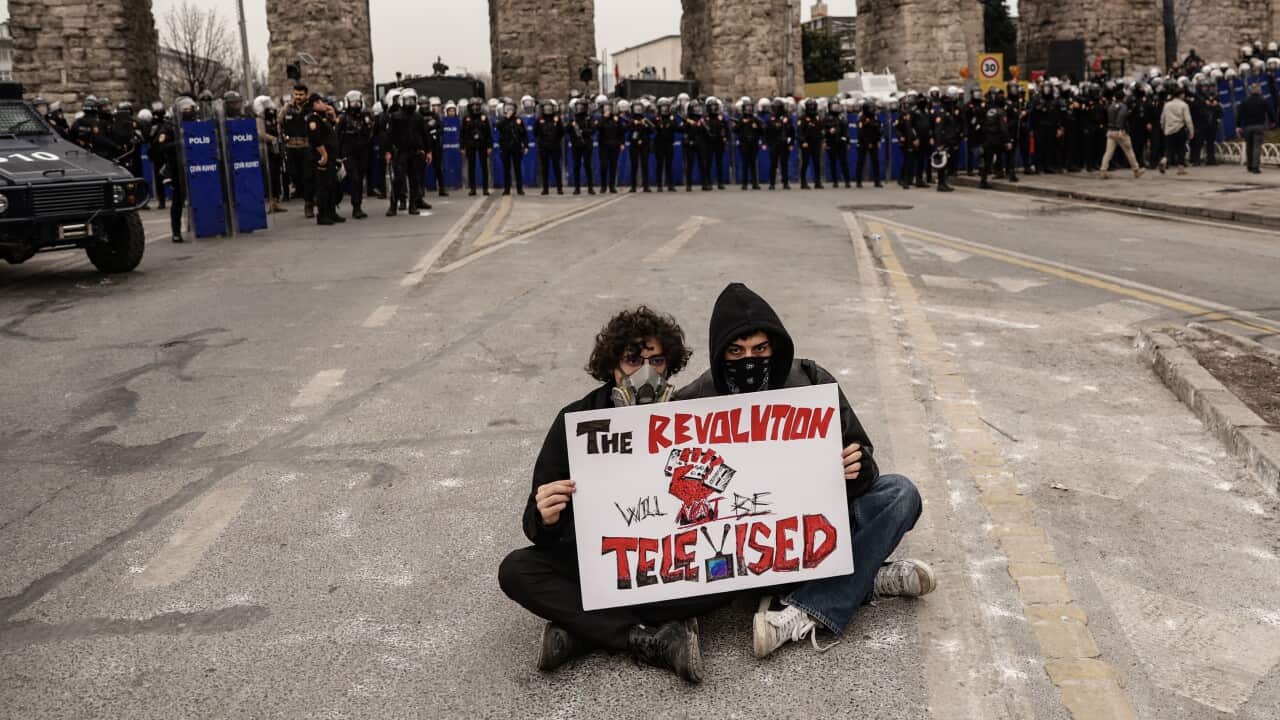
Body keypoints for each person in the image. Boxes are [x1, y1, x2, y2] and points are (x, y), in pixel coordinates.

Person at [674, 283, 934, 659]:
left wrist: (856, 465)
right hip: (742, 550)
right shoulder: (692, 403)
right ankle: (863, 579)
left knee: (900, 493)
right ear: (720, 352)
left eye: (760, 349)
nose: (749, 359)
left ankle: (803, 608)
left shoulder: (811, 380)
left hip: (816, 528)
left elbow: (865, 462)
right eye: (737, 351)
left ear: (774, 347)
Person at [498, 307, 722, 682]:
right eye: (633, 360)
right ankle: (649, 639)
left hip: (669, 560)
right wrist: (545, 515)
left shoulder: (691, 418)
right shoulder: (577, 420)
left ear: (670, 366)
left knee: (737, 576)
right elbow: (534, 527)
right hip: (601, 562)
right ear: (613, 365)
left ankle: (582, 630)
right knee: (517, 571)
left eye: (656, 360)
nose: (645, 372)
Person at [384, 88, 431, 216]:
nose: (410, 103)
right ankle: (393, 206)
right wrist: (388, 152)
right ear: (402, 101)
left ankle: (413, 206)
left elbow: (425, 134)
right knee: (398, 180)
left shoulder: (418, 117)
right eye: (407, 100)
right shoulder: (396, 116)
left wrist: (428, 151)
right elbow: (389, 135)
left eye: (412, 100)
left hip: (415, 153)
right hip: (400, 153)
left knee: (415, 181)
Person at [151, 97, 191, 243]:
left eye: (189, 109)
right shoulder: (169, 127)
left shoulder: (195, 124)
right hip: (176, 167)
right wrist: (179, 143)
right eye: (184, 109)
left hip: (195, 166)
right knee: (178, 200)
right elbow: (161, 147)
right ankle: (176, 232)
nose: (188, 112)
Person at [337, 90, 374, 219]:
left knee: (360, 179)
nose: (355, 104)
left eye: (357, 102)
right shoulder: (343, 118)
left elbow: (370, 132)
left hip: (362, 152)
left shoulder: (365, 117)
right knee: (354, 178)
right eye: (353, 102)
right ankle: (356, 207)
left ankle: (359, 205)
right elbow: (337, 137)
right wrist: (339, 155)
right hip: (349, 152)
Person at [308, 95, 343, 226]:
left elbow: (334, 129)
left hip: (331, 157)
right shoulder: (312, 119)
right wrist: (323, 154)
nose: (324, 104)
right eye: (321, 102)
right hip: (322, 158)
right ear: (315, 104)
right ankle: (322, 215)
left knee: (332, 185)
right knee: (323, 187)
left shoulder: (323, 118)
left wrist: (333, 116)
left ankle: (331, 212)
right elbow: (316, 138)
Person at [282, 85, 314, 216]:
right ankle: (302, 191)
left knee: (308, 176)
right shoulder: (288, 108)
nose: (298, 97)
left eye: (301, 95)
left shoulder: (310, 108)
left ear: (306, 95)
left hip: (306, 146)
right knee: (294, 174)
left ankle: (309, 204)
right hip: (291, 147)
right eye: (296, 94)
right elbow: (281, 122)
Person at [1100, 87, 1144, 180]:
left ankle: (1103, 170)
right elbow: (1121, 117)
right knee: (1129, 151)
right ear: (1123, 97)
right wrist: (1120, 129)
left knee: (1108, 152)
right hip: (1120, 132)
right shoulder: (1123, 107)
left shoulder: (1110, 106)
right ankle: (1136, 170)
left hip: (1110, 131)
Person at [1237, 83, 1277, 174]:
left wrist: (1238, 126)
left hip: (1247, 127)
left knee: (1249, 147)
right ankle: (1255, 167)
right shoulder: (1263, 101)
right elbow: (1270, 112)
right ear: (1258, 91)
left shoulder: (1245, 101)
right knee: (1256, 147)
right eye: (1260, 89)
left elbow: (1240, 114)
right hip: (1259, 126)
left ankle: (1249, 166)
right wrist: (1273, 122)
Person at [979, 89, 1013, 189]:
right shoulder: (1001, 112)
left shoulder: (989, 111)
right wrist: (1007, 140)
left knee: (988, 160)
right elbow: (1003, 127)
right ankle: (1011, 175)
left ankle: (983, 181)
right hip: (997, 138)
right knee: (1009, 152)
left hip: (988, 138)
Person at [497, 101, 529, 195]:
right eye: (507, 108)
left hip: (516, 147)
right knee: (506, 169)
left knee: (517, 168)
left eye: (511, 109)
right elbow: (498, 127)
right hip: (506, 147)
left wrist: (526, 145)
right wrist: (506, 119)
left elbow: (524, 134)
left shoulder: (518, 120)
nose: (509, 110)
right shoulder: (502, 120)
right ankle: (507, 189)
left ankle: (519, 188)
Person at [1159, 86, 1193, 175]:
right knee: (1181, 148)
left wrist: (1163, 127)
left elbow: (1163, 118)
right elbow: (1188, 119)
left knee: (1168, 148)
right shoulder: (1184, 105)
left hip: (1169, 129)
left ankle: (1164, 160)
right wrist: (1191, 130)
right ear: (1181, 95)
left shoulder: (1167, 105)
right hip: (1180, 129)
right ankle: (1180, 168)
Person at [461, 97, 492, 196]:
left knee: (484, 167)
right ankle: (472, 189)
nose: (475, 107)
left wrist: (489, 146)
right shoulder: (466, 118)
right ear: (470, 107)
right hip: (470, 145)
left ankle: (485, 188)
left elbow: (488, 133)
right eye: (473, 106)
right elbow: (462, 133)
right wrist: (462, 147)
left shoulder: (484, 117)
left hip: (482, 144)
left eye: (477, 105)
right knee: (471, 167)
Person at [934, 89, 962, 192]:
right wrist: (940, 143)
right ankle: (941, 183)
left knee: (948, 163)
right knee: (943, 163)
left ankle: (944, 182)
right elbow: (939, 129)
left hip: (949, 140)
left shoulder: (948, 111)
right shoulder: (942, 112)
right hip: (944, 141)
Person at [535, 100, 565, 195]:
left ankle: (559, 188)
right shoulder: (540, 119)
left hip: (555, 146)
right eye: (546, 108)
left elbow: (561, 132)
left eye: (549, 108)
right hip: (544, 147)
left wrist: (556, 139)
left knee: (557, 168)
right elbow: (536, 132)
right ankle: (545, 189)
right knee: (545, 168)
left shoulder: (557, 119)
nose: (548, 110)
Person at [567, 98, 595, 195]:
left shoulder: (589, 118)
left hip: (586, 144)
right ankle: (577, 188)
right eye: (578, 106)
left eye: (581, 106)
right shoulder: (573, 118)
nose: (579, 108)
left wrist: (583, 131)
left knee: (588, 166)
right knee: (576, 166)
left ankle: (590, 188)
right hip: (576, 145)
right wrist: (570, 125)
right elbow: (567, 131)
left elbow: (592, 130)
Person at [681, 100, 710, 192]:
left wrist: (702, 124)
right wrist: (687, 141)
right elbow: (683, 132)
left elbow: (707, 132)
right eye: (695, 108)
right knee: (690, 164)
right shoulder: (687, 119)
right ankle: (688, 185)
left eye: (698, 107)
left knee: (703, 164)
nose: (697, 109)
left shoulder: (702, 119)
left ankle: (704, 184)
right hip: (691, 144)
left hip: (701, 144)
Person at [624, 100, 652, 193]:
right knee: (634, 165)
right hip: (634, 145)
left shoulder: (645, 119)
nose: (638, 110)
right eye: (636, 108)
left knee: (645, 165)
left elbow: (653, 130)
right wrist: (633, 123)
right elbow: (625, 129)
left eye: (639, 108)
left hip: (644, 144)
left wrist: (645, 124)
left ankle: (646, 186)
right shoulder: (630, 119)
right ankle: (633, 186)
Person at [764, 99, 793, 190]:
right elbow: (766, 132)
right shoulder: (770, 118)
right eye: (774, 108)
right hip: (774, 144)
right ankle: (772, 183)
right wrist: (766, 143)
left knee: (784, 164)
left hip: (784, 143)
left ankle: (785, 183)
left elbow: (791, 131)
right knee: (773, 164)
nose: (776, 109)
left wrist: (791, 143)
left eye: (777, 107)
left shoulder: (786, 117)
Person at [595, 99, 622, 194]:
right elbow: (598, 128)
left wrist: (621, 143)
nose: (608, 110)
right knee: (604, 166)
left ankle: (612, 186)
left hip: (614, 145)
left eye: (609, 108)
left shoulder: (616, 119)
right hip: (604, 146)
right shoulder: (600, 119)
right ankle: (603, 186)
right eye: (606, 108)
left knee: (613, 166)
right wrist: (604, 118)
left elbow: (620, 131)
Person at [735, 99, 763, 190]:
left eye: (750, 107)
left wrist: (759, 125)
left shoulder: (755, 119)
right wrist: (741, 123)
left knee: (753, 164)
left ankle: (755, 183)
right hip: (744, 143)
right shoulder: (741, 118)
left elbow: (762, 130)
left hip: (754, 143)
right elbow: (735, 129)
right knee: (745, 164)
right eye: (747, 107)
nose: (749, 109)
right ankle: (744, 183)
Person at [824, 99, 852, 188]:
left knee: (844, 162)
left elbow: (846, 130)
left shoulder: (842, 117)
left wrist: (847, 141)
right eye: (834, 107)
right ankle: (835, 181)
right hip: (831, 142)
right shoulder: (827, 118)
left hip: (841, 142)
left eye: (837, 106)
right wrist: (828, 132)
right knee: (833, 162)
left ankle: (847, 181)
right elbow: (822, 130)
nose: (836, 108)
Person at [855, 100, 883, 188]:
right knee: (861, 162)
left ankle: (877, 181)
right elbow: (861, 132)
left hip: (874, 142)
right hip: (864, 143)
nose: (872, 110)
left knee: (875, 162)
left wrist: (878, 139)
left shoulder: (875, 117)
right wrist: (868, 143)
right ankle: (858, 181)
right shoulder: (861, 118)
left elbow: (879, 129)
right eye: (870, 108)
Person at [797, 98, 824, 189]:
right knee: (805, 162)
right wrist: (803, 141)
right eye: (810, 106)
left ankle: (818, 182)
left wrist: (822, 139)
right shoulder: (803, 118)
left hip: (816, 142)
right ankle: (803, 182)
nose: (812, 108)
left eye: (813, 106)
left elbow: (821, 128)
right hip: (807, 143)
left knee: (817, 162)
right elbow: (800, 131)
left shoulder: (818, 117)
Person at [653, 99, 679, 192]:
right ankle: (659, 185)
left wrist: (670, 123)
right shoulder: (656, 118)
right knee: (659, 164)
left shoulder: (672, 118)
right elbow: (653, 129)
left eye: (666, 107)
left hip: (669, 144)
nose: (664, 109)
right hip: (659, 144)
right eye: (662, 107)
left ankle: (670, 185)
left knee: (669, 164)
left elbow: (677, 128)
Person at [704, 98, 729, 190]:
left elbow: (726, 129)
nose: (713, 108)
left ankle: (720, 182)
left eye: (715, 106)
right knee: (708, 163)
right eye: (712, 106)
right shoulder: (705, 118)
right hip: (708, 143)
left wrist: (726, 139)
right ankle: (708, 182)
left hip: (719, 142)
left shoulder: (721, 117)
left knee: (719, 163)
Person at [893, 97, 917, 189]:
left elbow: (914, 128)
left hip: (912, 139)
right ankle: (904, 180)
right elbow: (897, 127)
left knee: (911, 160)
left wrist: (915, 138)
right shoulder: (901, 116)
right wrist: (900, 136)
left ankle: (909, 179)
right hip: (905, 141)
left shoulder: (912, 115)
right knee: (907, 160)